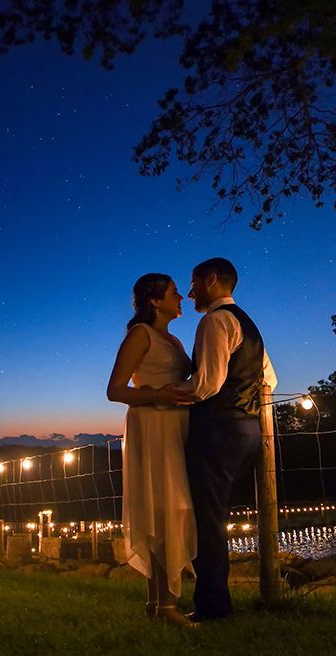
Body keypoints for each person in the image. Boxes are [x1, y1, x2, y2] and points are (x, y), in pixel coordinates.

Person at [172, 257, 277, 623]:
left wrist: (166, 393)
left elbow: (207, 385)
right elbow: (270, 381)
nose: (190, 292)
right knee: (215, 515)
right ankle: (216, 599)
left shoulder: (214, 320)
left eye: (194, 283)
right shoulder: (249, 325)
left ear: (212, 280)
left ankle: (213, 606)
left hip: (217, 428)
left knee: (208, 519)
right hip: (248, 429)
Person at [106, 273, 199, 627]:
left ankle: (157, 603)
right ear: (155, 301)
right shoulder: (140, 335)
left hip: (175, 425)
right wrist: (159, 394)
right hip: (153, 426)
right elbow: (115, 390)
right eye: (174, 293)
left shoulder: (172, 339)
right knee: (166, 508)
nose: (181, 298)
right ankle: (167, 605)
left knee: (166, 508)